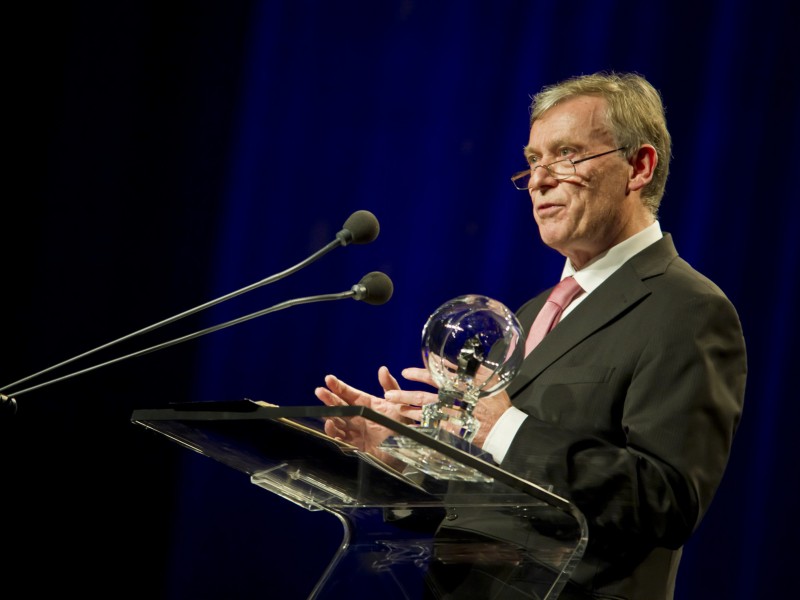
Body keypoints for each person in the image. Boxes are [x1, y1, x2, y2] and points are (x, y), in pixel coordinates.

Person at [315, 71, 747, 600]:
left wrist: (503, 428)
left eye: (565, 155)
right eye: (534, 160)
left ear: (639, 166)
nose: (539, 179)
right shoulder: (531, 314)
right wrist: (400, 459)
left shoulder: (689, 309)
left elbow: (664, 502)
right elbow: (486, 497)